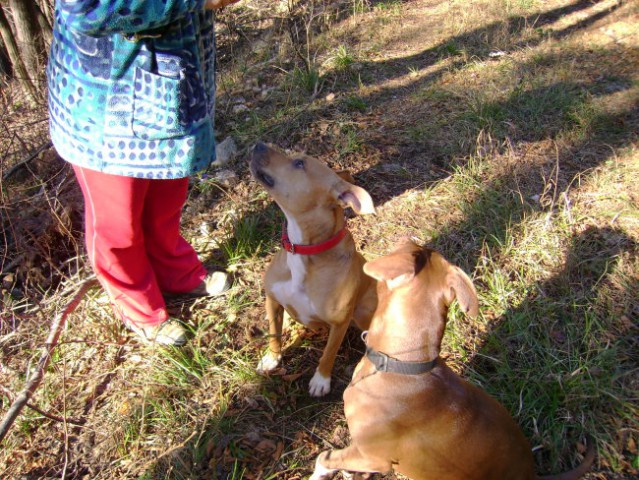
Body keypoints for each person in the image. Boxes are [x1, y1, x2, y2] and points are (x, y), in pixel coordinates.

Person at [47, 0, 241, 346]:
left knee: (166, 198)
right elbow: (87, 8)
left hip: (172, 88)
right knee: (117, 222)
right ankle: (139, 306)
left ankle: (175, 273)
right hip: (104, 99)